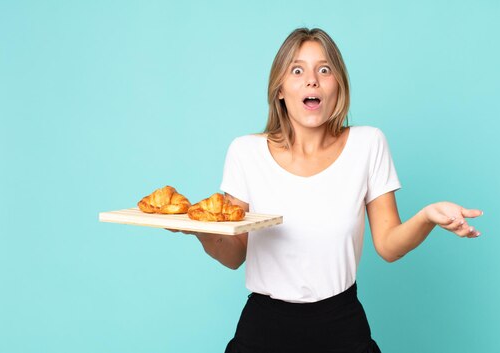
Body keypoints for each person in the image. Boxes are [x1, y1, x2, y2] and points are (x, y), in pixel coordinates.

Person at [174, 28, 482, 353]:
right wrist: (198, 230)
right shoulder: (245, 152)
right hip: (264, 330)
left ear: (338, 86)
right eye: (297, 70)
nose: (312, 80)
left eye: (324, 69)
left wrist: (427, 216)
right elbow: (235, 254)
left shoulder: (368, 144)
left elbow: (390, 246)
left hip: (341, 327)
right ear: (279, 89)